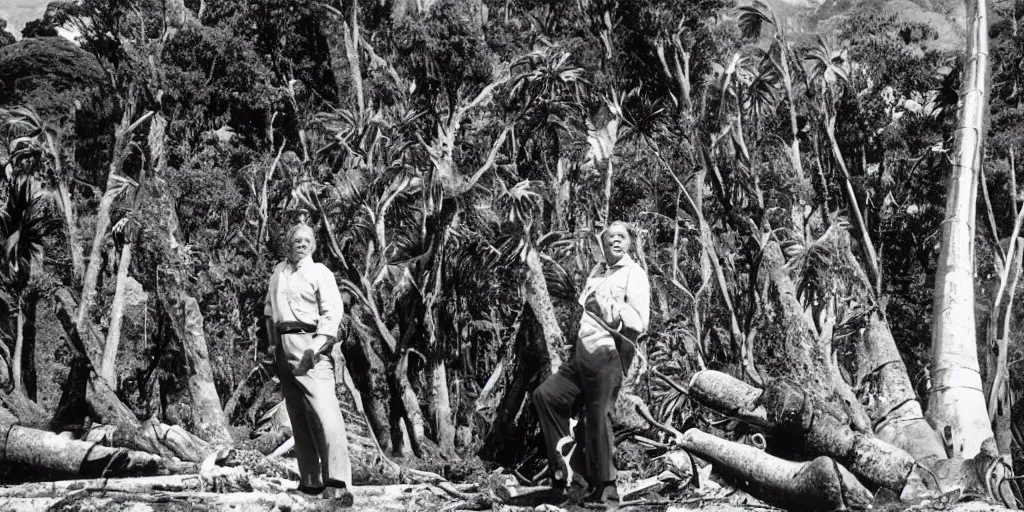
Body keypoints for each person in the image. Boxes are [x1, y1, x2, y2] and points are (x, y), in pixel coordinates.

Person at [532, 221, 652, 506]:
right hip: (581, 357)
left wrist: (615, 310)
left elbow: (641, 321)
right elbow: (586, 313)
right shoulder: (598, 273)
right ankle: (573, 474)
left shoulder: (634, 274)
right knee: (546, 396)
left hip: (608, 356)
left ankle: (607, 487)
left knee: (599, 418)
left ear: (630, 243)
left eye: (621, 237)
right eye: (610, 237)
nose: (615, 242)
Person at [264, 223, 354, 505]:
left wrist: (317, 347)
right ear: (288, 244)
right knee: (299, 415)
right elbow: (269, 310)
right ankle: (311, 481)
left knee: (325, 412)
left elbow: (332, 312)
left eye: (307, 240)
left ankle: (338, 482)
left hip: (310, 342)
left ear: (314, 245)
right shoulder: (278, 271)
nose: (301, 244)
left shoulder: (320, 273)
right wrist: (270, 346)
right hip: (282, 344)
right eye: (296, 240)